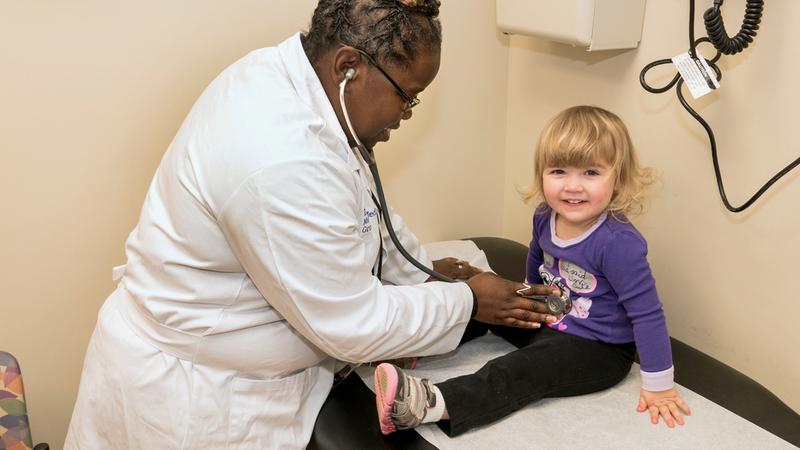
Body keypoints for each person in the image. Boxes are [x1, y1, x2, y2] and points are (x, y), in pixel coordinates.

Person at [64, 1, 558, 449]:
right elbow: (352, 326)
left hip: (255, 370)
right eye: (407, 96)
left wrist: (423, 271)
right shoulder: (276, 155)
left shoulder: (293, 80)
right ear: (348, 66)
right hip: (194, 400)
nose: (407, 114)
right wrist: (468, 301)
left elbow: (360, 209)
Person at [374, 105, 692, 437]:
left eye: (591, 173)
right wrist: (523, 300)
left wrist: (659, 385)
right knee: (475, 306)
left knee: (522, 369)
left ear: (619, 179)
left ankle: (430, 403)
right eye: (559, 171)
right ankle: (413, 346)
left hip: (598, 348)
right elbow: (537, 261)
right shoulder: (544, 216)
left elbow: (648, 315)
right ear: (542, 174)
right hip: (550, 318)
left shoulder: (618, 243)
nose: (572, 186)